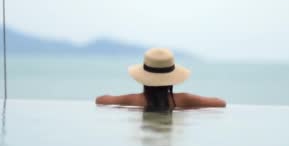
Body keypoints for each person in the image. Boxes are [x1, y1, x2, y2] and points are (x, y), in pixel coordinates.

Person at [96, 48, 226, 110]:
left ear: (144, 77)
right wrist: (191, 107)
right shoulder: (184, 99)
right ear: (171, 78)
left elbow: (100, 100)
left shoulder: (133, 99)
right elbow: (221, 103)